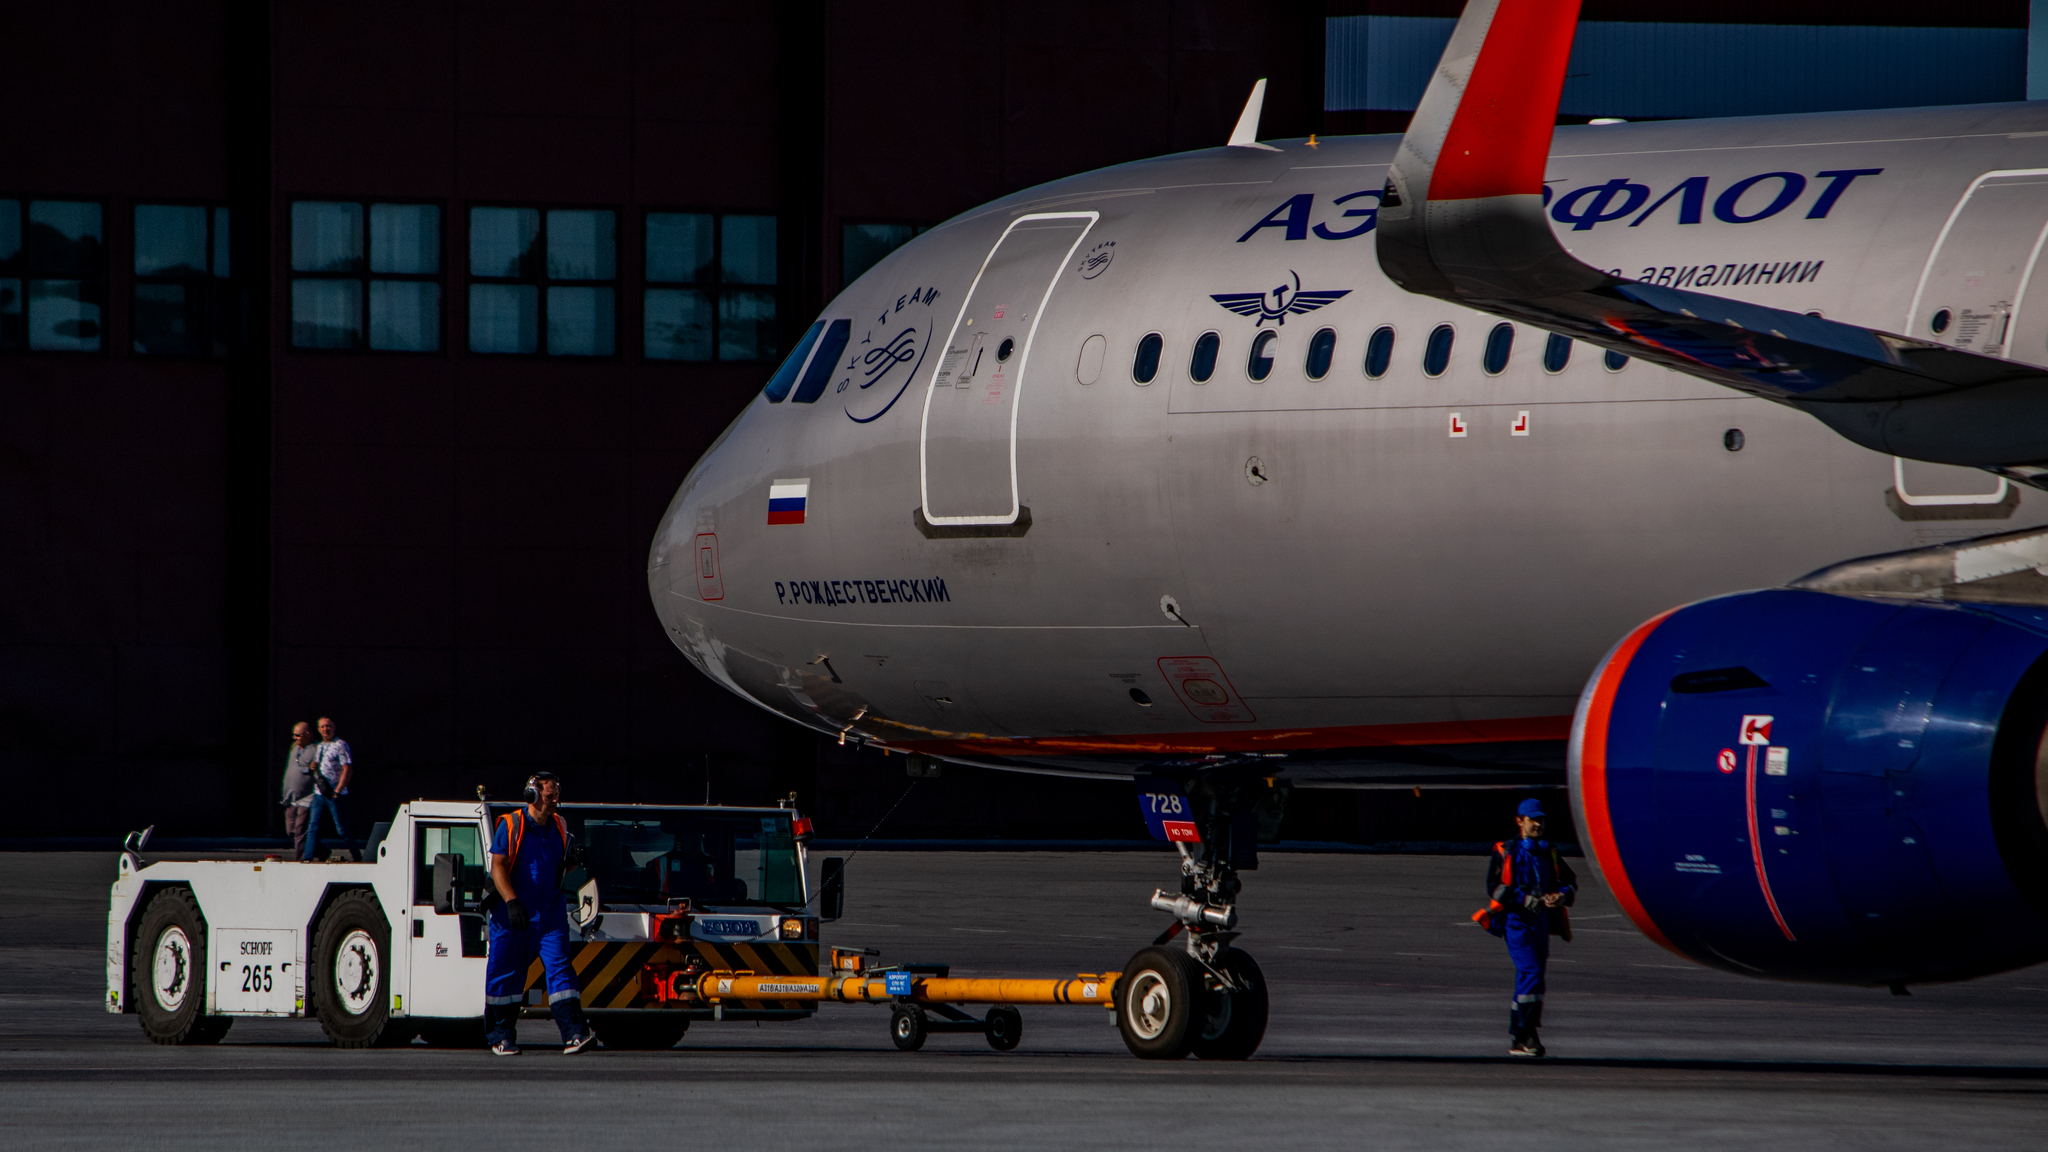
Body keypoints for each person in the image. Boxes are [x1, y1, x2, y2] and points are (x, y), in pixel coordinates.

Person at [484, 772, 595, 1055]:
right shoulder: (510, 825)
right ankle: (501, 1036)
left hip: (550, 914)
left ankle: (574, 1033)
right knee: (506, 975)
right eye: (549, 795)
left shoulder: (559, 824)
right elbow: (498, 866)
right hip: (513, 915)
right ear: (533, 797)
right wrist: (511, 902)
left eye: (557, 794)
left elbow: (558, 868)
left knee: (561, 970)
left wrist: (572, 863)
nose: (555, 800)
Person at [1475, 797, 1576, 1057]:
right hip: (1516, 922)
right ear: (1520, 822)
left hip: (1541, 922)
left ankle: (1519, 1036)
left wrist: (1561, 895)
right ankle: (1528, 1033)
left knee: (1532, 979)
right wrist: (1523, 899)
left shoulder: (1548, 851)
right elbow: (1494, 887)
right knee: (1530, 972)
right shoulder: (1506, 851)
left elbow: (1569, 881)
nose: (1538, 824)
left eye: (1541, 820)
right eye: (1533, 820)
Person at [303, 716, 360, 862]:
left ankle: (357, 856)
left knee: (341, 828)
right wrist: (313, 767)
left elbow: (347, 768)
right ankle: (307, 857)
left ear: (333, 728)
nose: (325, 729)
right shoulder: (320, 746)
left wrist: (339, 789)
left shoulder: (340, 745)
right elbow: (317, 766)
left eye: (328, 726)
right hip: (320, 790)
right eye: (322, 727)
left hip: (334, 789)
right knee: (313, 825)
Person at [280, 721, 320, 858]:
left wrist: (313, 768)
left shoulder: (316, 749)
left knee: (300, 829)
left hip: (307, 796)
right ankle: (319, 850)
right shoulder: (294, 748)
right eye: (294, 735)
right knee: (290, 830)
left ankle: (301, 859)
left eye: (298, 735)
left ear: (307, 734)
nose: (295, 738)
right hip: (291, 797)